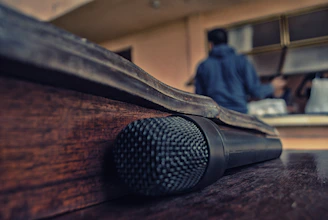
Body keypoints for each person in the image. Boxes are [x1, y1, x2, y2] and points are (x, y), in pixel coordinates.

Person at [195, 28, 286, 113]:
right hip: (239, 115)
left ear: (210, 44)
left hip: (215, 115)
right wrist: (272, 86)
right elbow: (255, 91)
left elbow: (200, 99)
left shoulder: (203, 66)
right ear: (227, 42)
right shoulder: (241, 61)